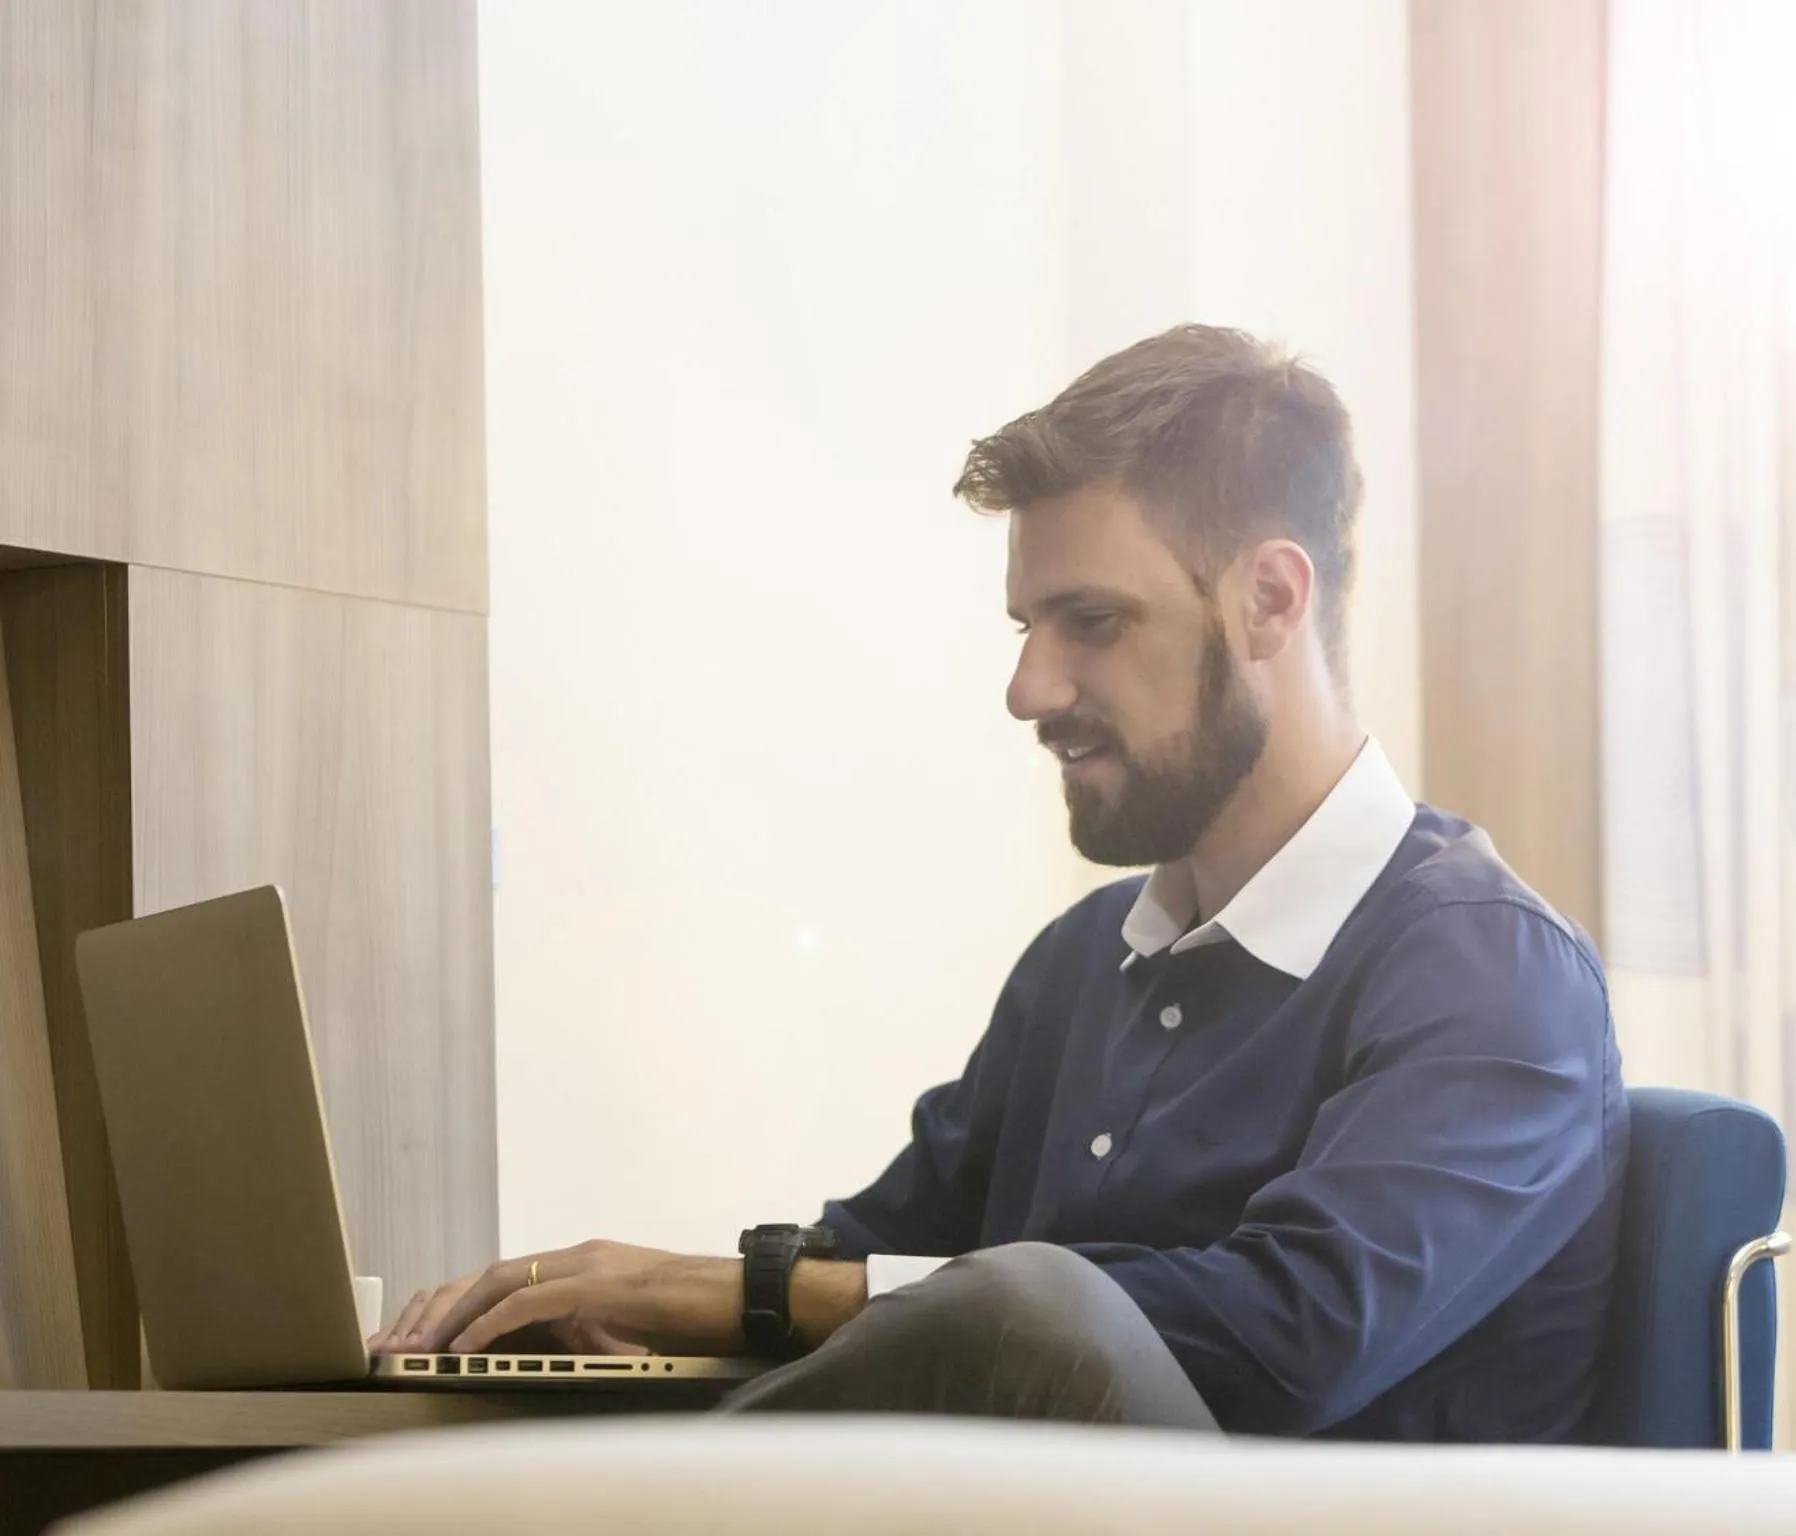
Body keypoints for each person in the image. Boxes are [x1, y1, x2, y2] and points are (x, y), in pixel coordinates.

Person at [373, 325, 1628, 1441]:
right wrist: (647, 1315)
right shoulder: (1083, 965)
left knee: (1036, 1307)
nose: (1029, 690)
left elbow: (1287, 1340)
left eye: (1090, 622)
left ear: (1267, 602)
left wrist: (745, 1295)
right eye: (1025, 628)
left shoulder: (1489, 970)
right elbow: (864, 1270)